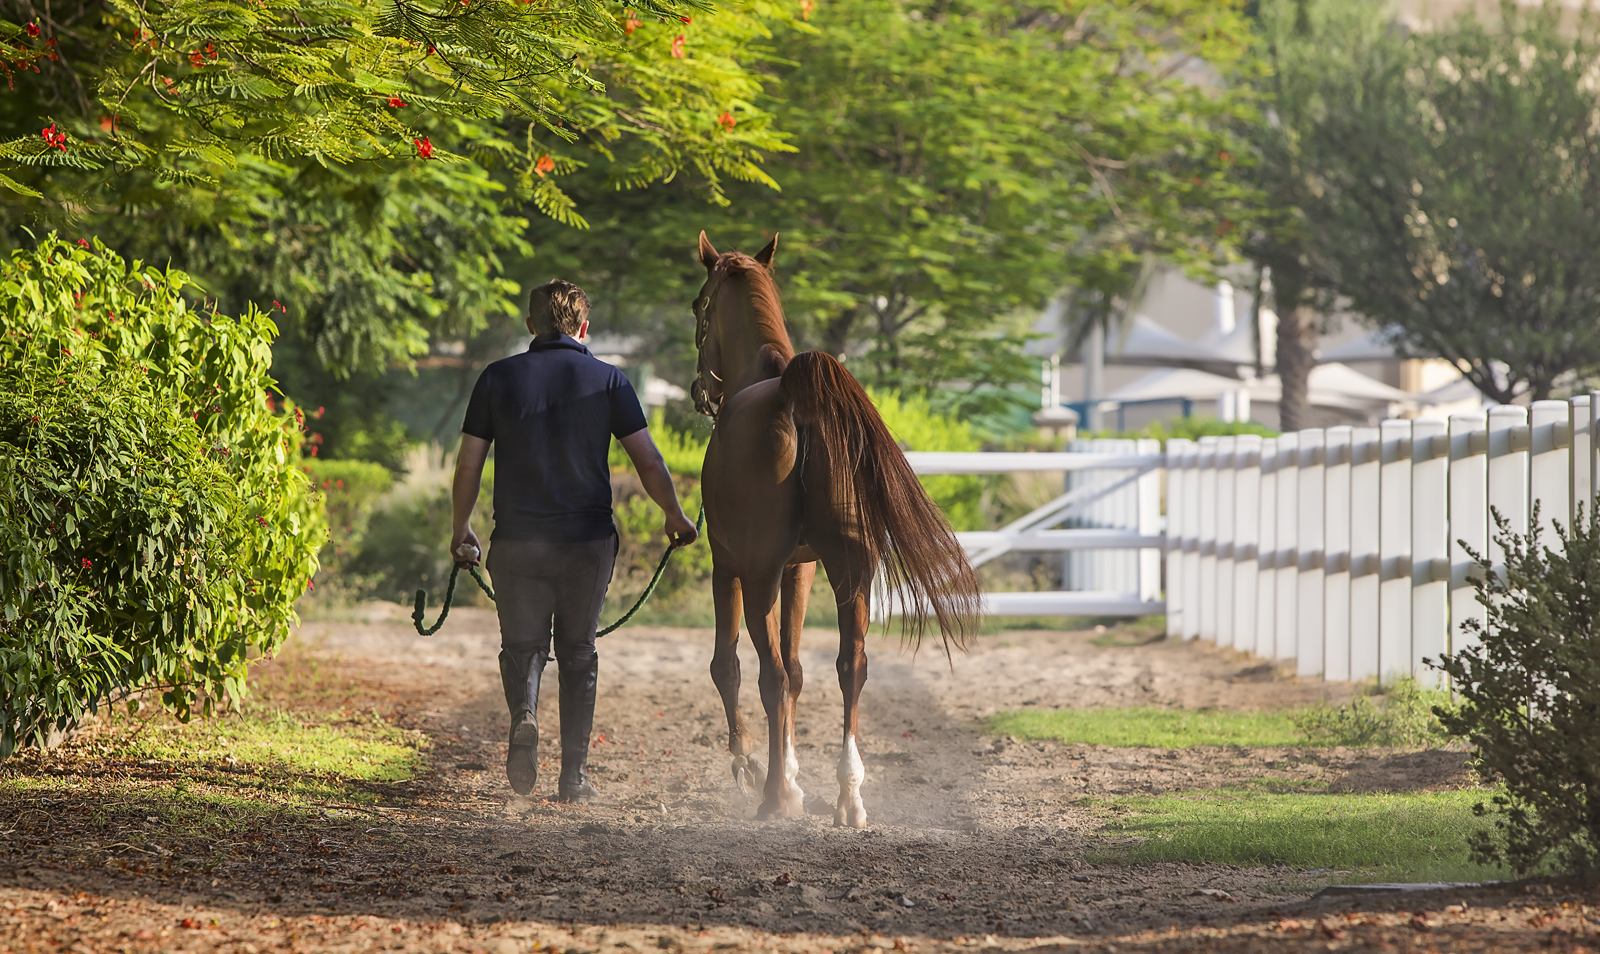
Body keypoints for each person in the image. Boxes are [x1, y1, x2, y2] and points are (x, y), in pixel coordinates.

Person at [451, 280, 699, 802]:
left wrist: (462, 528)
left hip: (518, 541)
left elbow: (469, 462)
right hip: (586, 542)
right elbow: (648, 460)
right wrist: (674, 515)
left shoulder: (496, 378)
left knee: (522, 648)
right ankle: (574, 778)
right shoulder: (608, 381)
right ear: (584, 328)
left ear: (530, 326)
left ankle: (524, 712)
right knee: (579, 653)